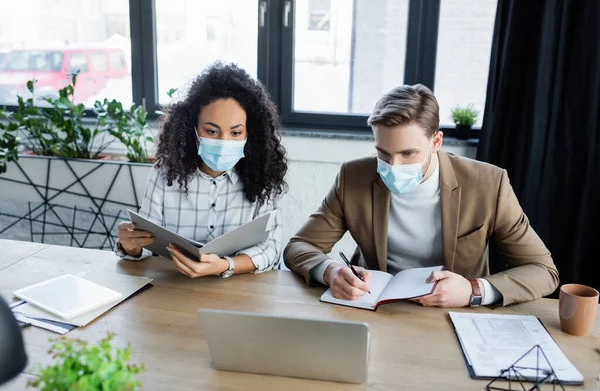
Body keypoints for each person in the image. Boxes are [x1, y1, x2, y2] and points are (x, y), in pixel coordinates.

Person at [284, 84, 558, 307]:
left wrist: (474, 290)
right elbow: (299, 247)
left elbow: (543, 270)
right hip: (375, 309)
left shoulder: (488, 184)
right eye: (383, 153)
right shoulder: (353, 177)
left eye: (408, 153)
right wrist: (331, 271)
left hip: (453, 313)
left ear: (435, 142)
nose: (394, 166)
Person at [116, 62, 288, 278]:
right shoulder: (165, 173)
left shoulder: (264, 175)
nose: (224, 142)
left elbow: (270, 249)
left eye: (235, 133)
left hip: (239, 292)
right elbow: (146, 244)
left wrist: (225, 265)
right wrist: (131, 244)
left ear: (249, 134)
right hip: (173, 287)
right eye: (212, 131)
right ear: (193, 129)